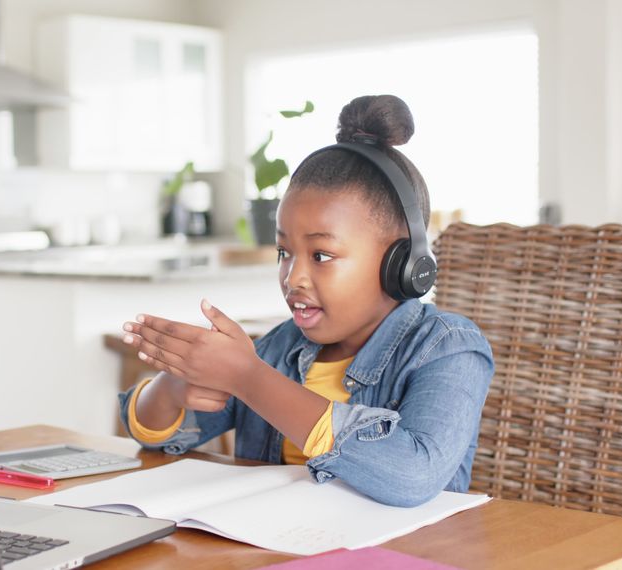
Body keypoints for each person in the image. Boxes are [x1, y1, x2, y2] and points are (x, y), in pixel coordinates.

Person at [117, 94, 494, 508]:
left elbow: (412, 475)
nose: (292, 276)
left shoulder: (447, 348)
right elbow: (160, 438)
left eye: (321, 255)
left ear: (402, 264)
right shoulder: (279, 347)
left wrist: (248, 377)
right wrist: (172, 387)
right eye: (284, 253)